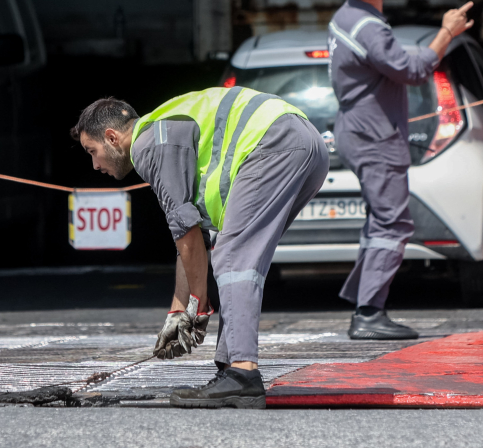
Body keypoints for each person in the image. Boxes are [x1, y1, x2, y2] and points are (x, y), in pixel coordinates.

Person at [71, 89, 329, 409]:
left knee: (234, 257)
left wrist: (199, 304)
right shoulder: (163, 128)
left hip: (273, 142)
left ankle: (243, 376)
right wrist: (180, 310)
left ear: (111, 137)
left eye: (91, 151)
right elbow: (196, 238)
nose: (94, 165)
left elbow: (187, 234)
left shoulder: (148, 144)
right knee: (237, 253)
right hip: (305, 143)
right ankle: (231, 368)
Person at [328, 0, 473, 340]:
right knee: (393, 223)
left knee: (381, 221)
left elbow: (388, 60)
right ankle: (369, 312)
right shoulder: (369, 28)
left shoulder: (347, 16)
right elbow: (412, 70)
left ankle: (366, 305)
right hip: (375, 136)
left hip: (357, 130)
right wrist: (447, 31)